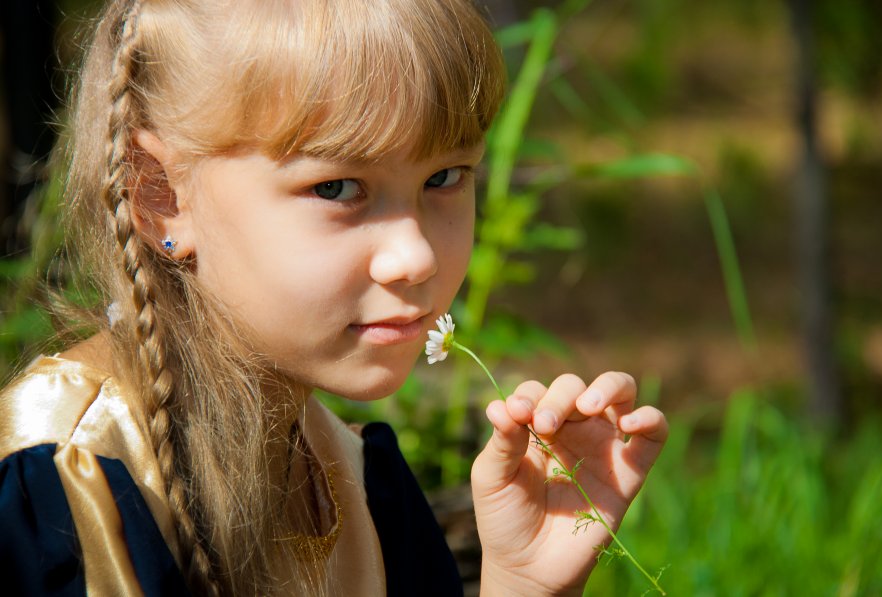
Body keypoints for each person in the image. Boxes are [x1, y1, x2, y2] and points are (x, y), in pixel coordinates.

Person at [0, 0, 669, 595]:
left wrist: (523, 585)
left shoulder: (360, 487)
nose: (417, 257)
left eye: (444, 176)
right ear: (160, 196)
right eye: (337, 188)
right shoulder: (60, 491)